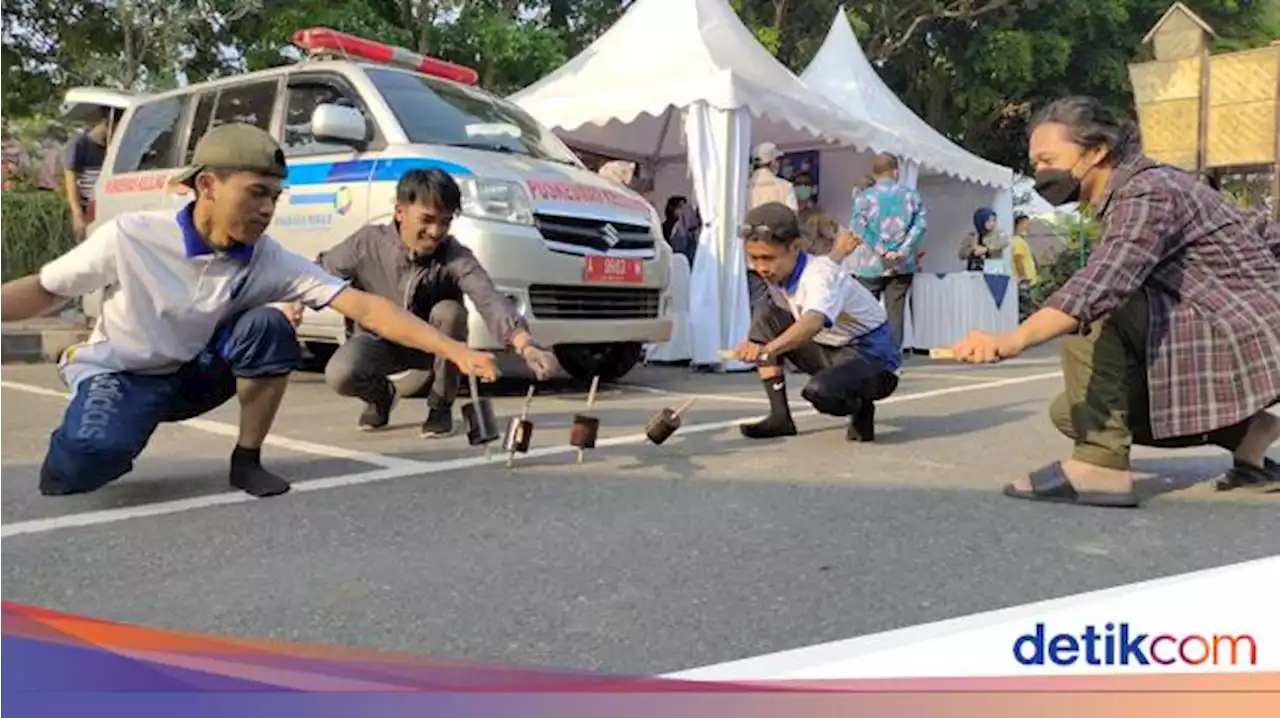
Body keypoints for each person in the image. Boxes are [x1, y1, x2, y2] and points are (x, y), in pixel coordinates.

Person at [0, 123, 499, 499]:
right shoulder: (132, 237)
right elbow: (46, 290)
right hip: (126, 375)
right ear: (208, 185)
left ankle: (247, 459)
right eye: (256, 192)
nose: (267, 209)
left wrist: (453, 349)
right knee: (90, 461)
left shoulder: (269, 258)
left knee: (268, 325)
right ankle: (79, 428)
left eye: (275, 197)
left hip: (196, 374)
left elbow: (364, 306)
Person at [951, 96, 1280, 507]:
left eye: (1047, 159)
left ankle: (1100, 468)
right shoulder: (1157, 186)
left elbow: (1102, 283)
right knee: (1072, 411)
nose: (1040, 172)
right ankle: (1249, 435)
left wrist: (1013, 339)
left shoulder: (1147, 192)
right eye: (1035, 163)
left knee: (1091, 313)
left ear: (1096, 152)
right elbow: (1263, 231)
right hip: (1223, 329)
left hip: (1237, 331)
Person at [312, 168, 559, 437]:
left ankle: (440, 406)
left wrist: (524, 344)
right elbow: (320, 271)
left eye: (445, 221)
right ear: (400, 212)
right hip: (379, 343)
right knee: (341, 373)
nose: (435, 231)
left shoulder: (454, 256)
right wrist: (293, 304)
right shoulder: (367, 243)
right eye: (427, 219)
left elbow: (487, 297)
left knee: (450, 312)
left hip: (437, 347)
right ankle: (381, 396)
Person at [728, 202, 901, 442]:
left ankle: (862, 402)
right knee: (766, 316)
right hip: (831, 346)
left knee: (821, 393)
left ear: (795, 247)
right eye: (754, 258)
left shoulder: (819, 277)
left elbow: (813, 322)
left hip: (871, 355)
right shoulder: (792, 269)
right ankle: (780, 418)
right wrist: (754, 345)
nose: (761, 268)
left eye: (767, 258)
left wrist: (766, 351)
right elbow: (830, 263)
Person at [850, 153, 926, 353]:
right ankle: (891, 360)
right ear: (896, 171)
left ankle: (866, 355)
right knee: (895, 313)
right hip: (902, 264)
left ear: (874, 174)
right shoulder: (911, 195)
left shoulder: (864, 198)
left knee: (865, 312)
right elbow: (920, 224)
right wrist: (903, 250)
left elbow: (858, 228)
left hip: (870, 265)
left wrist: (880, 249)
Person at [64, 107, 123, 239]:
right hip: (87, 209)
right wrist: (78, 215)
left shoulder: (113, 149)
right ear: (108, 124)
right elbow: (70, 181)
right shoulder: (80, 144)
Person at [957, 207, 1009, 272]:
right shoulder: (972, 236)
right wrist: (972, 250)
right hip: (975, 270)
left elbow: (1004, 242)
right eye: (989, 221)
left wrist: (986, 249)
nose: (992, 223)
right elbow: (961, 254)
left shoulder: (998, 234)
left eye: (994, 220)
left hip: (993, 270)